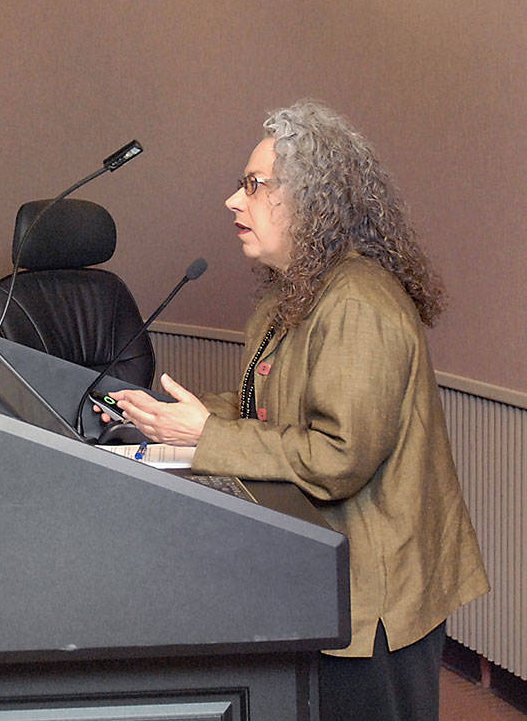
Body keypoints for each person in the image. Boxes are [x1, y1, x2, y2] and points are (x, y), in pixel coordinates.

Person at [105, 101, 488, 721]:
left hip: (377, 600)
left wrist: (205, 435)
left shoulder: (357, 303)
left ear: (314, 200)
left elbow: (339, 458)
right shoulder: (294, 294)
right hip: (325, 580)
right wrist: (168, 415)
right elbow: (269, 408)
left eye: (254, 186)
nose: (233, 200)